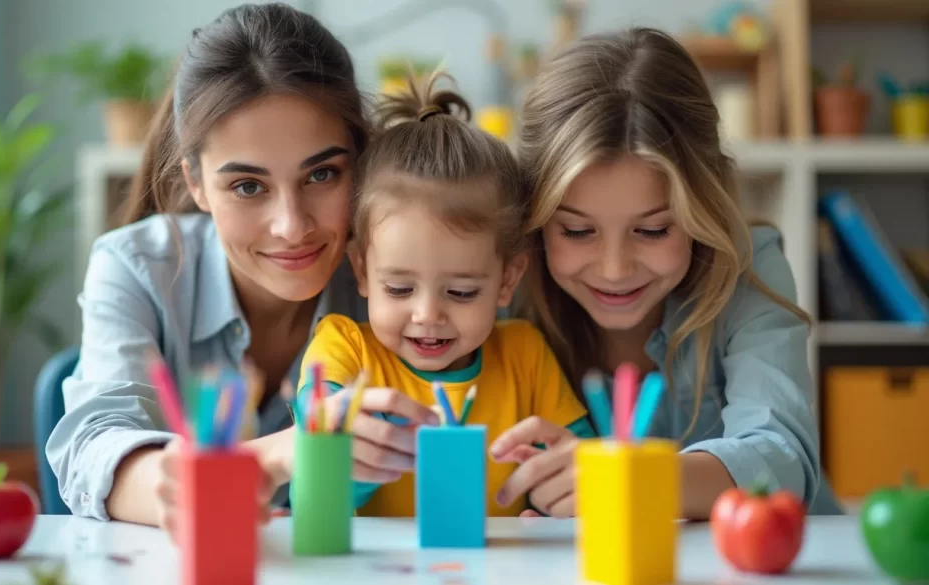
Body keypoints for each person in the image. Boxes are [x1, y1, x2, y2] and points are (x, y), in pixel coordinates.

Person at [46, 2, 439, 539]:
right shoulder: (136, 267)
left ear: (362, 159)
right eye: (248, 186)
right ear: (196, 183)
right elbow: (95, 444)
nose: (291, 226)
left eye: (322, 173)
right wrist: (258, 459)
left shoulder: (418, 277)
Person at [488, 27, 823, 520]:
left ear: (703, 209)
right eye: (578, 232)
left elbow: (783, 458)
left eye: (653, 230)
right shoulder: (500, 279)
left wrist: (626, 480)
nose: (615, 269)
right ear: (536, 220)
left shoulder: (744, 267)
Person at [293, 70, 592, 516]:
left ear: (508, 279)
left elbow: (580, 472)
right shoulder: (342, 350)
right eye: (398, 288)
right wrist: (342, 458)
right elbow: (312, 501)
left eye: (461, 291)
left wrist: (562, 499)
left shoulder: (525, 356)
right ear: (361, 270)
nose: (427, 314)